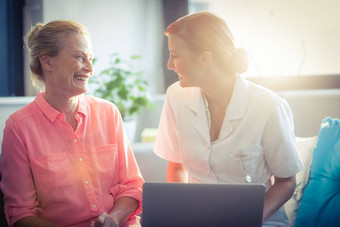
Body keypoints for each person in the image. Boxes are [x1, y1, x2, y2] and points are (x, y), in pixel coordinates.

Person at [154, 11, 303, 226]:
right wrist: (182, 212)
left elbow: (286, 181)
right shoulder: (176, 96)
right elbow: (177, 166)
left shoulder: (269, 106)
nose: (169, 64)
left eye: (175, 55)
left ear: (205, 58)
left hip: (260, 219)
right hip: (200, 218)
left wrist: (249, 219)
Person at [0, 20, 144, 227]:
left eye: (91, 59)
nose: (90, 68)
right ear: (47, 62)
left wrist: (113, 218)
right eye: (79, 57)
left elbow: (132, 185)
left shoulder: (108, 112)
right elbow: (20, 213)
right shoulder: (19, 127)